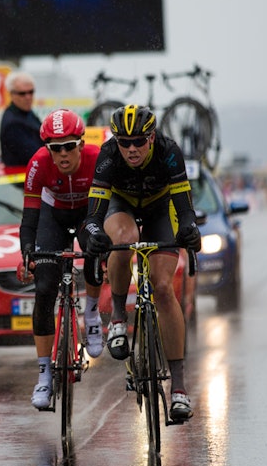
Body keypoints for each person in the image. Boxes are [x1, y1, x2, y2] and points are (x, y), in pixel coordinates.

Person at [82, 104, 201, 422]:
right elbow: (92, 216)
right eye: (124, 142)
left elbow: (184, 209)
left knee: (163, 287)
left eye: (138, 141)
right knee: (123, 239)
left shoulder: (169, 151)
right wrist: (95, 234)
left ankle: (179, 387)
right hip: (121, 205)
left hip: (160, 208)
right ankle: (118, 318)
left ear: (151, 137)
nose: (131, 148)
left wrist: (189, 229)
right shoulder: (108, 155)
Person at [17, 109, 105, 410]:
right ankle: (44, 373)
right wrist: (27, 250)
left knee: (95, 252)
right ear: (48, 150)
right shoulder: (38, 164)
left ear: (81, 144)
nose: (63, 154)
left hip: (87, 214)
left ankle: (91, 314)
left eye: (69, 146)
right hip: (52, 218)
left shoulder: (96, 159)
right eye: (56, 148)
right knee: (44, 290)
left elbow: (108, 209)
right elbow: (29, 216)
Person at [0, 71, 43, 167]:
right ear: (11, 94)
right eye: (22, 93)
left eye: (31, 92)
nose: (28, 97)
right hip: (23, 173)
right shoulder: (12, 122)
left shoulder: (27, 113)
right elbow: (37, 155)